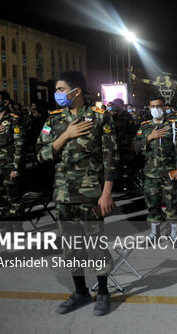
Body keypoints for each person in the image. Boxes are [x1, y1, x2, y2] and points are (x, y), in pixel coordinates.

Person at [36, 71, 118, 316]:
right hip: (63, 195)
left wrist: (106, 194)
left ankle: (102, 292)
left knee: (96, 246)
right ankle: (81, 292)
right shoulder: (54, 119)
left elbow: (111, 158)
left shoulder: (100, 117)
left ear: (77, 91)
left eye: (61, 89)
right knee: (71, 247)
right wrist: (66, 135)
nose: (57, 94)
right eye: (58, 90)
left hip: (91, 194)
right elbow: (42, 155)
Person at [132, 96, 177, 240]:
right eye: (152, 106)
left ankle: (174, 232)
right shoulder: (144, 126)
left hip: (169, 172)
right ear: (149, 108)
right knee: (152, 203)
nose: (156, 109)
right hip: (151, 173)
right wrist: (150, 137)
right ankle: (154, 233)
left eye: (158, 106)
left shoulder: (173, 125)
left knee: (171, 203)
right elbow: (135, 146)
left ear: (164, 107)